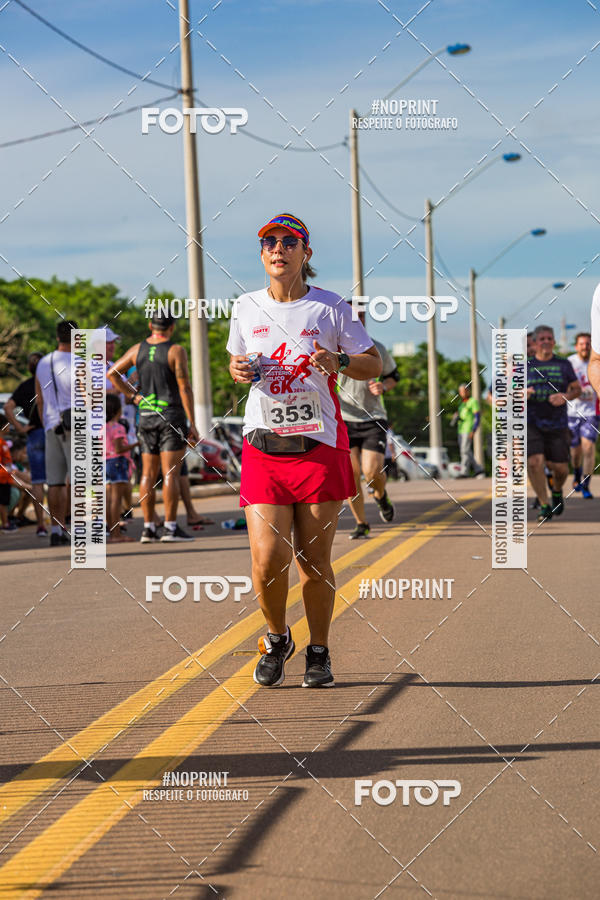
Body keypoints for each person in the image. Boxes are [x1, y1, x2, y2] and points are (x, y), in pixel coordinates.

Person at [227, 213, 381, 688]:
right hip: (263, 446)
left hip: (318, 447)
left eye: (288, 242)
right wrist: (237, 370)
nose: (278, 249)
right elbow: (236, 363)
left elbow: (372, 362)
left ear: (305, 253)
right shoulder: (244, 307)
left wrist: (338, 360)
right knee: (266, 560)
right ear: (262, 254)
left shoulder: (332, 308)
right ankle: (277, 638)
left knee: (313, 563)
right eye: (269, 242)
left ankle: (318, 651)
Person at [108, 311, 199, 543]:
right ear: (172, 327)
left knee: (147, 474)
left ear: (150, 325)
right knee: (171, 473)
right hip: (171, 415)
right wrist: (193, 424)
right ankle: (170, 528)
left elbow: (113, 373)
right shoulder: (175, 350)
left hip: (146, 416)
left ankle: (148, 528)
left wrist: (133, 397)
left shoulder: (137, 349)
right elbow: (185, 387)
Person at [337, 309, 399, 539]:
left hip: (373, 418)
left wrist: (384, 386)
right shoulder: (335, 347)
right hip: (344, 419)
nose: (357, 319)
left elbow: (394, 376)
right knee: (351, 475)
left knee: (371, 472)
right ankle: (361, 522)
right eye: (352, 315)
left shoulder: (377, 348)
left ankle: (381, 495)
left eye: (361, 316)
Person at [527, 325, 581, 522]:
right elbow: (508, 392)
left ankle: (557, 491)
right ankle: (544, 504)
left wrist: (565, 396)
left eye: (550, 338)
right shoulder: (525, 366)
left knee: (560, 469)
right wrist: (521, 393)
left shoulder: (563, 364)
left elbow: (577, 389)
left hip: (557, 424)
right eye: (542, 339)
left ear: (554, 342)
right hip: (531, 422)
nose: (546, 342)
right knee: (534, 462)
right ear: (535, 342)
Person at [35, 320, 78, 546]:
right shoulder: (79, 363)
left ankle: (56, 529)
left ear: (57, 337)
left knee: (55, 483)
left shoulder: (43, 362)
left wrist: (46, 423)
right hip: (76, 426)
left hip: (51, 426)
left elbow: (39, 399)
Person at [4, 352, 47, 535]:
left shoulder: (25, 386)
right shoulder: (51, 385)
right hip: (53, 433)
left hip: (34, 433)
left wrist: (20, 428)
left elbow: (7, 407)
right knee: (58, 482)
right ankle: (59, 523)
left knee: (37, 481)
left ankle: (41, 526)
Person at [567, 332, 598, 499]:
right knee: (575, 452)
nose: (585, 346)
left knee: (588, 447)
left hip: (591, 412)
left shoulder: (597, 360)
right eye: (582, 344)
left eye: (588, 343)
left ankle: (586, 484)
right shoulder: (570, 362)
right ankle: (577, 474)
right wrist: (574, 391)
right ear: (576, 346)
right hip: (572, 412)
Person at [105, 393, 138, 543]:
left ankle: (112, 531)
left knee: (108, 499)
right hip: (117, 462)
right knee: (116, 501)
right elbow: (119, 449)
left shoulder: (101, 428)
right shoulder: (118, 428)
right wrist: (136, 444)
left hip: (104, 463)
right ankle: (116, 534)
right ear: (118, 410)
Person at [452, 384, 485, 478]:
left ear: (468, 391)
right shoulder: (461, 404)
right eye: (460, 391)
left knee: (464, 450)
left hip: (468, 429)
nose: (462, 393)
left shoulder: (473, 401)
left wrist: (473, 430)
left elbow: (477, 416)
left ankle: (464, 472)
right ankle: (479, 469)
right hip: (460, 430)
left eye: (464, 391)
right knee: (466, 451)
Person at [0, 415, 18, 533]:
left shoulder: (4, 442)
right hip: (2, 477)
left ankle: (7, 520)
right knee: (2, 501)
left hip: (6, 477)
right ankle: (5, 523)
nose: (9, 427)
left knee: (5, 500)